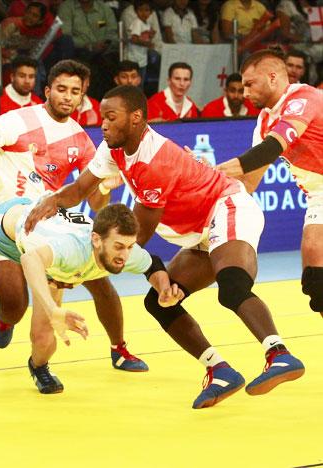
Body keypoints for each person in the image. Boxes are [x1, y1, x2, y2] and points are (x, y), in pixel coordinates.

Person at [24, 85, 305, 408]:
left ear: (136, 118)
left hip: (225, 207)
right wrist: (52, 202)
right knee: (159, 301)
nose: (103, 124)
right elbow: (79, 189)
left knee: (231, 286)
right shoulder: (113, 146)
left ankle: (279, 354)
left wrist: (80, 271)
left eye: (111, 117)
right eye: (102, 116)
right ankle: (220, 370)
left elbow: (137, 237)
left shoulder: (154, 160)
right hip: (197, 232)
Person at [0, 60, 149, 371]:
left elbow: (99, 203)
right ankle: (6, 319)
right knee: (14, 304)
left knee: (100, 281)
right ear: (47, 90)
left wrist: (106, 186)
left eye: (75, 92)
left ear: (82, 96)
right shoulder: (15, 121)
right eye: (61, 89)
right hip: (6, 220)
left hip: (51, 226)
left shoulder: (82, 140)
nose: (67, 97)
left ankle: (119, 349)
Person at [0, 198, 182, 393]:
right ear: (97, 240)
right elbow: (31, 260)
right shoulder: (71, 249)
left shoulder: (124, 252)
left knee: (44, 341)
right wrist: (54, 312)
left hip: (52, 260)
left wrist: (163, 288)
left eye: (129, 247)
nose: (124, 255)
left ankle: (38, 366)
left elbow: (152, 265)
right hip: (11, 229)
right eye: (119, 247)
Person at [217, 49, 323, 319]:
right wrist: (201, 174)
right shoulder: (264, 121)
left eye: (250, 84)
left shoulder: (303, 98)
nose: (245, 92)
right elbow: (249, 180)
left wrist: (218, 168)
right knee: (316, 283)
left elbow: (271, 149)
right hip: (318, 195)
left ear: (273, 77)